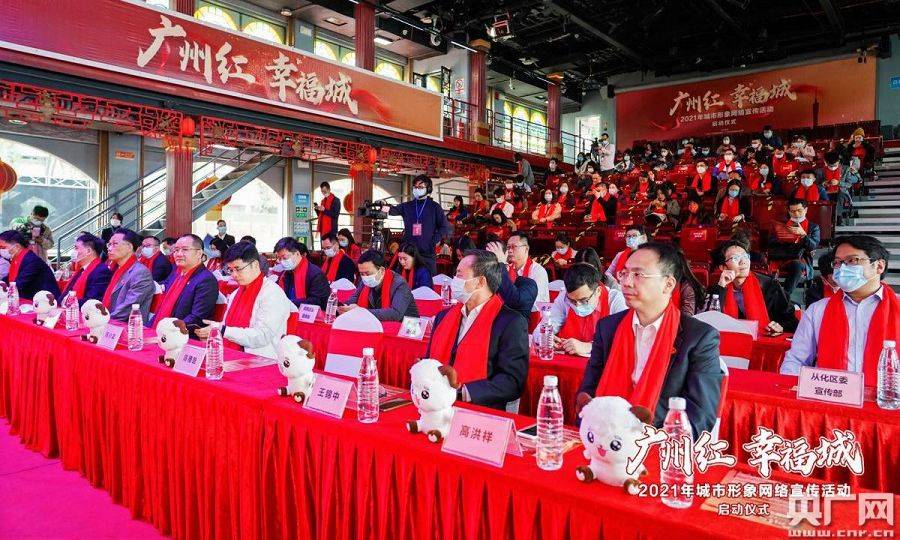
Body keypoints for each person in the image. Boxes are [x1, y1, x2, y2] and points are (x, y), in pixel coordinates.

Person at [575, 242, 723, 435]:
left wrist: (647, 440)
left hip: (657, 442)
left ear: (668, 284)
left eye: (638, 275)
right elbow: (587, 394)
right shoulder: (608, 328)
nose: (626, 282)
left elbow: (700, 418)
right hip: (603, 438)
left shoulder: (698, 338)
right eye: (624, 273)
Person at [780, 235, 898, 383]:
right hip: (828, 393)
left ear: (879, 266)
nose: (842, 268)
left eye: (852, 260)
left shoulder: (897, 308)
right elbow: (795, 360)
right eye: (837, 262)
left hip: (887, 396)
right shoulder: (818, 310)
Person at [426, 249, 529, 410]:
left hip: (480, 412)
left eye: (459, 275)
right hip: (435, 407)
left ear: (480, 282)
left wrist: (464, 392)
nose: (454, 281)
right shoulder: (443, 317)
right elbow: (429, 362)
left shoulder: (511, 322)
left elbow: (513, 382)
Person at [196, 242, 293, 359]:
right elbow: (226, 327)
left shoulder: (272, 294)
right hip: (233, 355)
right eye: (230, 270)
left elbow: (262, 336)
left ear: (255, 265)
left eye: (238, 269)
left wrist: (222, 330)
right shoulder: (235, 294)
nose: (234, 275)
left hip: (262, 360)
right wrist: (212, 334)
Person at [534, 263, 626, 356]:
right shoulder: (564, 297)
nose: (577, 305)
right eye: (572, 301)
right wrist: (545, 338)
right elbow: (543, 327)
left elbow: (624, 340)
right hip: (569, 359)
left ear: (598, 291)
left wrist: (589, 347)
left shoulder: (615, 300)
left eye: (583, 300)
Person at [708, 240, 797, 334]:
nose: (743, 261)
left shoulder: (770, 285)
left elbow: (792, 322)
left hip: (765, 339)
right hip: (732, 340)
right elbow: (709, 321)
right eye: (735, 258)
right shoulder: (717, 288)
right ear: (723, 267)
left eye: (745, 256)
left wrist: (781, 327)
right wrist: (721, 288)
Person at [150, 234, 218, 338]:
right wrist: (147, 328)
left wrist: (167, 330)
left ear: (199, 253)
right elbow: (162, 308)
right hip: (163, 332)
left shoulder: (206, 280)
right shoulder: (176, 273)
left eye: (185, 249)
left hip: (182, 337)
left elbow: (197, 317)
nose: (179, 254)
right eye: (176, 250)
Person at [387, 175, 452, 275]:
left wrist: (434, 240)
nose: (417, 189)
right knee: (407, 280)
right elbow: (392, 210)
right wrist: (383, 206)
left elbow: (444, 226)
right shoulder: (407, 206)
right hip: (409, 253)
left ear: (428, 189)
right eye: (415, 187)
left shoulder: (435, 207)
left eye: (420, 187)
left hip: (427, 252)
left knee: (427, 279)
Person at [340, 249, 418, 322]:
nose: (365, 277)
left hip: (406, 327)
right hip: (375, 324)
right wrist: (344, 307)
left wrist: (361, 311)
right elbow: (353, 298)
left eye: (367, 273)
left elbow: (395, 314)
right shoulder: (364, 281)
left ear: (381, 270)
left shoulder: (400, 284)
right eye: (361, 274)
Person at [767, 199, 821, 296]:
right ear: (789, 212)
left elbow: (813, 246)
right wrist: (782, 238)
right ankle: (771, 295)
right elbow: (770, 243)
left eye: (799, 210)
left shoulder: (813, 227)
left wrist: (803, 235)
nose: (796, 214)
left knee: (796, 266)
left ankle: (785, 296)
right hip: (781, 256)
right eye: (793, 211)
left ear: (806, 210)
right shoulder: (781, 225)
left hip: (801, 258)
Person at [102, 228, 154, 322]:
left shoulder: (140, 273)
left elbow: (127, 309)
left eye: (115, 244)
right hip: (110, 322)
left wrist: (101, 320)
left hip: (129, 327)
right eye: (109, 244)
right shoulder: (118, 269)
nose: (109, 249)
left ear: (129, 247)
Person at [504, 233, 549, 329]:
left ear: (526, 249)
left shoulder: (538, 271)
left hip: (533, 319)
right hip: (511, 316)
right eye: (508, 247)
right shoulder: (507, 268)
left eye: (514, 247)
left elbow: (532, 303)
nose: (510, 250)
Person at [485, 241, 538, 322]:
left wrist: (500, 264)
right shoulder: (483, 284)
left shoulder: (528, 284)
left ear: (506, 255)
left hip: (512, 328)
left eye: (495, 256)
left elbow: (513, 300)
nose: (490, 263)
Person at [0, 230, 60, 299]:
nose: (1, 250)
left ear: (17, 246)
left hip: (46, 301)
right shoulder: (17, 259)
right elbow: (7, 280)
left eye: (2, 247)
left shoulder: (31, 261)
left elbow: (18, 286)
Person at [273, 237, 330, 309]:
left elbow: (317, 301)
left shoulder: (315, 274)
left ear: (297, 253)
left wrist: (290, 303)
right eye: (279, 259)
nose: (282, 262)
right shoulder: (285, 274)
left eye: (284, 258)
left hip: (308, 313)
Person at [58, 233, 112, 305]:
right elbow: (65, 294)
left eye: (76, 248)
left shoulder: (101, 272)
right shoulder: (81, 270)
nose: (74, 252)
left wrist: (68, 303)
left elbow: (92, 301)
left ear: (88, 251)